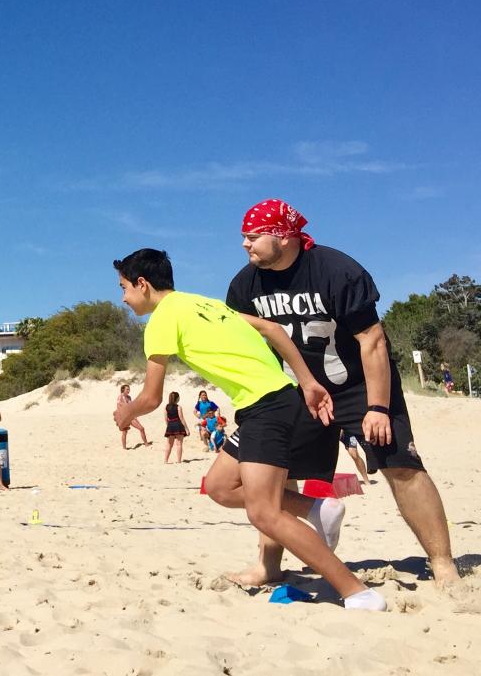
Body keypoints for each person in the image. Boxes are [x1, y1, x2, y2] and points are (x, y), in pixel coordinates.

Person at [113, 248, 385, 610]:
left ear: (142, 284)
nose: (123, 298)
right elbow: (271, 328)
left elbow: (150, 397)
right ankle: (317, 509)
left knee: (263, 513)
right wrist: (306, 381)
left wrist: (126, 414)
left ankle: (356, 592)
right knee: (221, 486)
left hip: (267, 409)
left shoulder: (162, 319)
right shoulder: (205, 304)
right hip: (276, 400)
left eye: (124, 288)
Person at [226, 199, 459, 585]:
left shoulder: (336, 271)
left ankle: (444, 563)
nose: (245, 245)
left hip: (357, 385)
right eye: (244, 237)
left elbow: (372, 341)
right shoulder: (244, 285)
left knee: (401, 464)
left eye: (253, 236)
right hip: (297, 389)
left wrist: (378, 407)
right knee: (275, 474)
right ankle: (268, 566)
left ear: (282, 236)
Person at [114, 382, 150, 449]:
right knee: (125, 432)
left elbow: (131, 407)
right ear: (123, 390)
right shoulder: (120, 397)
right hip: (124, 417)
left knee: (141, 428)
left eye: (129, 389)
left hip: (131, 417)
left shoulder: (129, 397)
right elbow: (119, 406)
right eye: (127, 389)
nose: (128, 390)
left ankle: (146, 444)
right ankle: (124, 448)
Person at [162, 391, 189, 463]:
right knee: (179, 444)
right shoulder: (178, 407)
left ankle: (165, 460)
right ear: (177, 398)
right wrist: (186, 429)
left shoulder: (166, 407)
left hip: (170, 425)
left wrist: (169, 426)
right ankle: (179, 460)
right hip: (178, 425)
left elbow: (165, 418)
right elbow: (181, 418)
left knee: (169, 444)